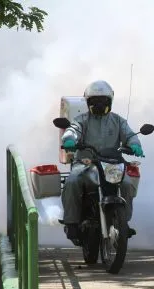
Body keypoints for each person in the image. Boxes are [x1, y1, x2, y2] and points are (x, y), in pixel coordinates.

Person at [60, 80, 144, 243]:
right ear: (88, 103)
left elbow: (130, 135)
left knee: (127, 184)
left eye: (103, 101)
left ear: (110, 102)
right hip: (86, 163)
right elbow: (72, 130)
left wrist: (135, 145)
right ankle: (71, 222)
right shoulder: (82, 119)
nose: (99, 105)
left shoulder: (118, 121)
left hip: (112, 164)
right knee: (72, 181)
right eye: (95, 101)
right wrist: (69, 139)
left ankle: (123, 222)